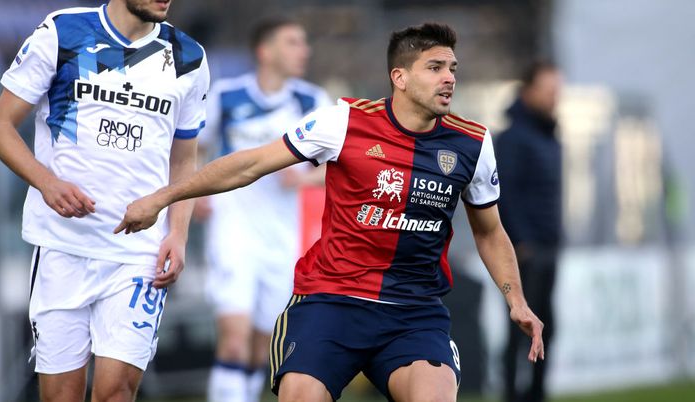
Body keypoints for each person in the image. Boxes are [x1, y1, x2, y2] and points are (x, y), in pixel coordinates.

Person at [116, 23, 544, 402]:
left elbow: (489, 232)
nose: (449, 78)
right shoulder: (343, 122)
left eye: (452, 68)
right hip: (331, 301)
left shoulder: (472, 144)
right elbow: (249, 165)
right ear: (400, 77)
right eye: (435, 68)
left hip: (413, 312)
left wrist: (516, 300)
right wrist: (162, 198)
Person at [0, 0, 209, 401]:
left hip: (140, 253)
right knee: (61, 395)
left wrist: (178, 233)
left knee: (116, 390)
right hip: (61, 247)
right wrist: (47, 183)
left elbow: (184, 156)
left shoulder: (189, 56)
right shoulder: (63, 31)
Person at [198, 16, 330, 402]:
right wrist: (196, 194)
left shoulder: (312, 102)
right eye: (292, 42)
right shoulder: (226, 96)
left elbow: (342, 167)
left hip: (283, 240)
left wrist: (305, 178)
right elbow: (193, 150)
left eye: (303, 42)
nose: (303, 50)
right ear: (264, 51)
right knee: (234, 342)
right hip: (232, 232)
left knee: (262, 347)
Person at [495, 61, 562, 402]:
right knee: (518, 328)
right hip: (525, 251)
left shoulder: (548, 134)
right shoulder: (513, 139)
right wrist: (521, 243)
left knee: (547, 328)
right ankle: (511, 394)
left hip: (549, 247)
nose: (555, 98)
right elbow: (504, 194)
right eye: (549, 91)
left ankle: (535, 394)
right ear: (529, 91)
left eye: (557, 91)